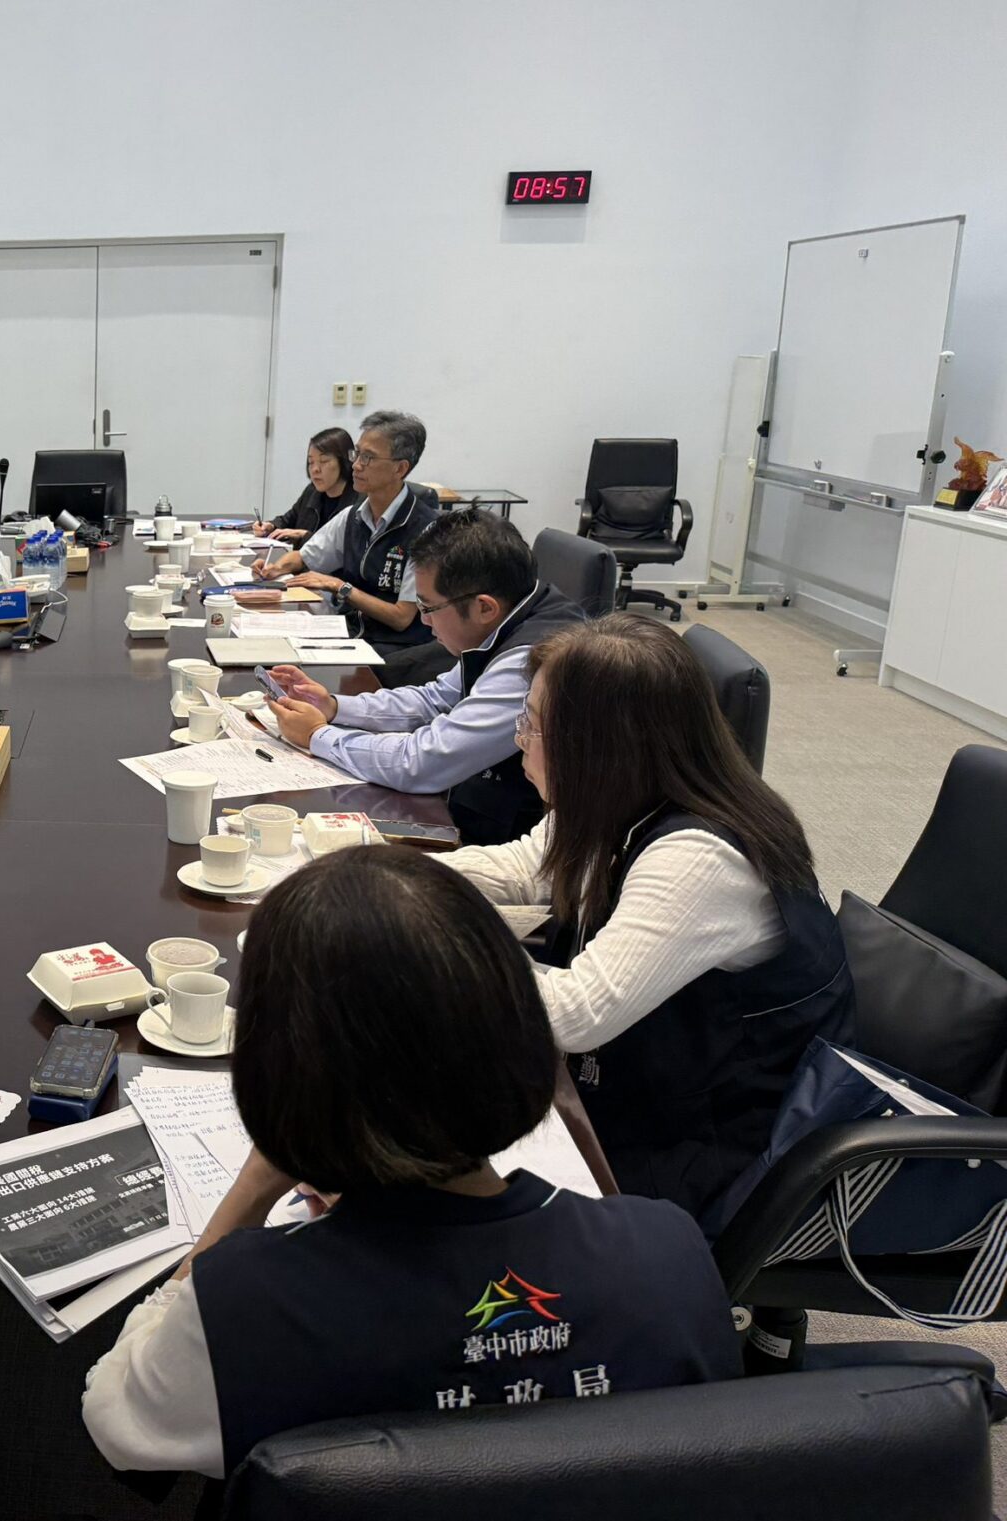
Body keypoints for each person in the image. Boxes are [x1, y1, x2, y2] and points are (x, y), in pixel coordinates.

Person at [82, 848, 741, 1479]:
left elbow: (117, 1419)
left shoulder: (244, 1306)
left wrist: (253, 1187)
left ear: (278, 1075)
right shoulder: (668, 1258)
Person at [436, 614, 854, 1232]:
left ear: (599, 747)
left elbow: (575, 1015)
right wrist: (373, 872)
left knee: (436, 1177)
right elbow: (523, 869)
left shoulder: (699, 858)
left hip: (708, 1144)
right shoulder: (625, 793)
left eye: (533, 724)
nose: (520, 740)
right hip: (639, 1083)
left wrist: (427, 943)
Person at [263, 510, 586, 846]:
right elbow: (435, 699)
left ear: (484, 608)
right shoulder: (515, 614)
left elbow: (422, 763)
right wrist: (333, 706)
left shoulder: (529, 660)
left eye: (428, 608)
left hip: (514, 837)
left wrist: (317, 735)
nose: (425, 621)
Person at [252, 410, 441, 655]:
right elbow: (305, 557)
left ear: (400, 468)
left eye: (368, 457)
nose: (356, 465)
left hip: (393, 649)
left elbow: (401, 617)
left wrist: (340, 586)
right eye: (357, 454)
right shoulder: (353, 516)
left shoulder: (426, 530)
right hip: (350, 633)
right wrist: (274, 569)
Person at [252, 427, 357, 543]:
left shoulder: (359, 502)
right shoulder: (312, 491)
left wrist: (304, 535)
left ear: (344, 461)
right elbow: (288, 520)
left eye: (324, 461)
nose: (315, 469)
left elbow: (343, 546)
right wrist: (270, 526)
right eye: (311, 462)